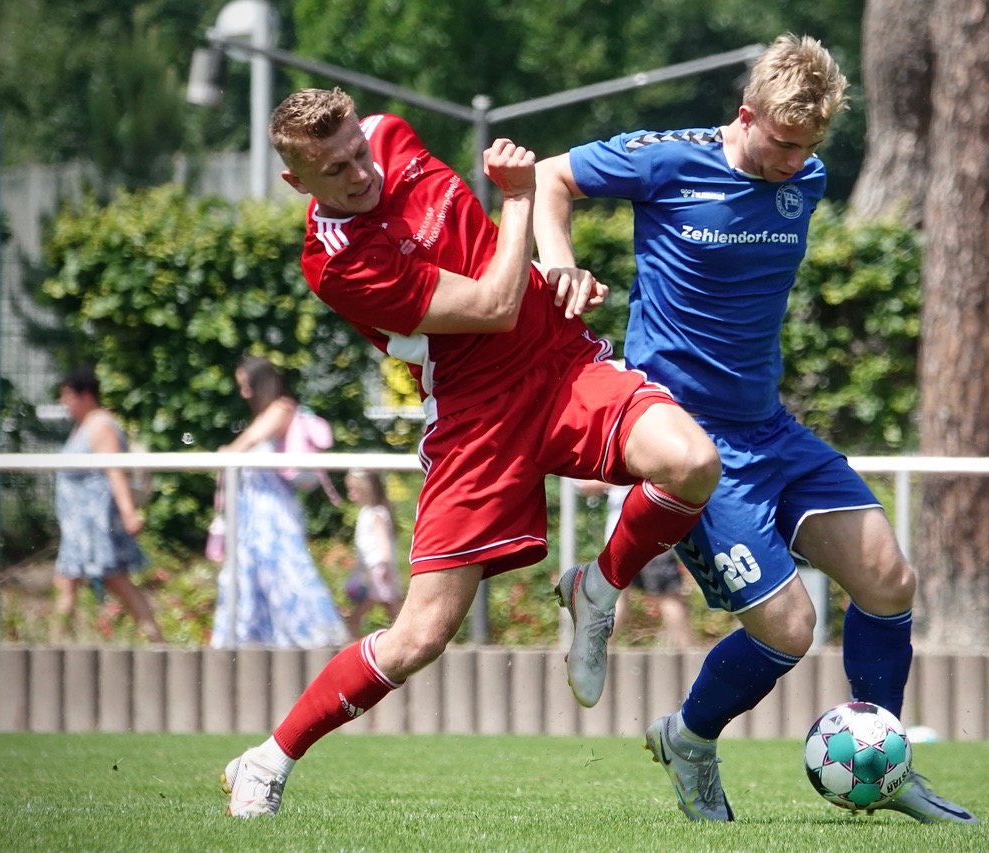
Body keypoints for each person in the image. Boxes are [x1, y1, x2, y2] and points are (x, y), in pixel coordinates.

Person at [220, 87, 719, 818]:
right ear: (298, 181)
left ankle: (597, 589)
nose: (359, 172)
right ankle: (267, 759)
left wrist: (560, 261)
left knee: (692, 462)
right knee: (419, 635)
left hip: (560, 362)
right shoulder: (336, 264)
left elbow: (515, 260)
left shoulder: (393, 135)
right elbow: (492, 307)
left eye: (358, 150)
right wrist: (515, 202)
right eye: (334, 169)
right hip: (476, 412)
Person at [534, 34, 978, 825]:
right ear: (747, 115)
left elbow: (792, 173)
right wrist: (560, 262)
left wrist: (796, 159)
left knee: (888, 578)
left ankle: (883, 756)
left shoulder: (806, 176)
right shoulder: (668, 160)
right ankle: (691, 741)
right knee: (790, 628)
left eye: (807, 147)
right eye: (780, 142)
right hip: (690, 440)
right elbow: (548, 177)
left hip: (770, 429)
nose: (792, 161)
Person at [210, 355, 349, 649]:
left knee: (285, 567)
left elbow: (245, 444)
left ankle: (312, 636)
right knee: (249, 570)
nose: (244, 392)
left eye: (247, 385)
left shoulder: (280, 408)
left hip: (273, 507)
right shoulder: (265, 413)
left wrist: (227, 451)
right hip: (252, 509)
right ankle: (250, 637)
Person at [51, 366, 165, 644]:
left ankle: (159, 644)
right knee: (78, 581)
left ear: (86, 394)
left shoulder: (100, 425)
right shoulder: (84, 426)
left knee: (100, 581)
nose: (64, 402)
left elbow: (115, 470)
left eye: (68, 395)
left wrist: (128, 512)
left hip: (97, 524)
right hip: (80, 527)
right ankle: (51, 650)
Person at [577, 481, 692, 649]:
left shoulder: (640, 459)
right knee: (618, 598)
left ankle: (685, 652)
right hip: (628, 538)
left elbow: (593, 484)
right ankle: (599, 653)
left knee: (666, 596)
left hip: (647, 534)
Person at [343, 468, 404, 636]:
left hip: (378, 568)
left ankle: (352, 638)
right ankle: (402, 637)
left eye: (354, 490)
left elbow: (384, 543)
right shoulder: (367, 513)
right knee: (392, 608)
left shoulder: (376, 514)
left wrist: (385, 565)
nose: (351, 495)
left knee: (387, 608)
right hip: (371, 569)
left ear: (366, 490)